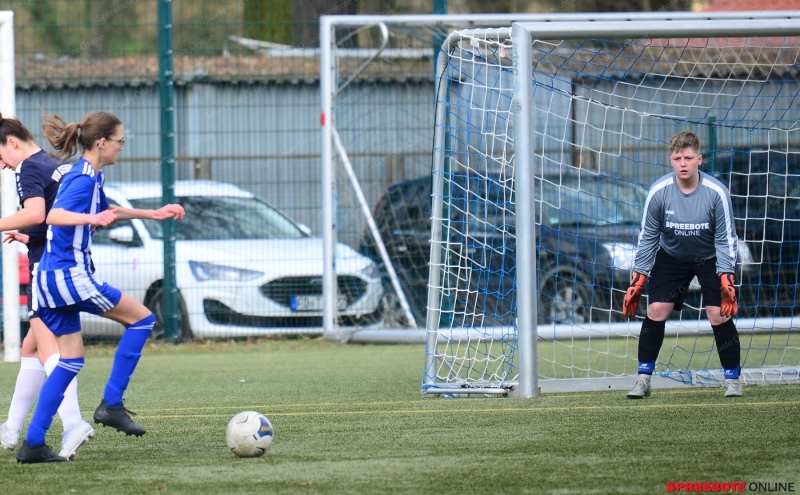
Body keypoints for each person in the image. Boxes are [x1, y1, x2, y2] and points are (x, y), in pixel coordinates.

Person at [15, 111, 185, 463]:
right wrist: (92, 219)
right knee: (141, 320)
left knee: (70, 361)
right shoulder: (84, 179)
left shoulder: (90, 175)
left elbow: (108, 209)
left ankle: (32, 443)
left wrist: (153, 214)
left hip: (48, 281)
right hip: (69, 278)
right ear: (103, 142)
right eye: (121, 141)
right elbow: (54, 215)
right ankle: (111, 403)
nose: (123, 147)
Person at [0, 114, 95, 460]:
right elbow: (56, 219)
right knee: (31, 348)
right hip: (64, 261)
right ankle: (11, 427)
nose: (1, 165)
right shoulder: (54, 162)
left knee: (52, 350)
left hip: (48, 269)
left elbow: (36, 212)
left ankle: (73, 422)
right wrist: (28, 236)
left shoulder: (28, 168)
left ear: (12, 143)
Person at [623, 131, 742, 399]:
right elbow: (648, 238)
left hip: (710, 257)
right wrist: (638, 280)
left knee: (718, 314)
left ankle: (733, 380)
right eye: (678, 158)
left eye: (688, 157)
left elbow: (726, 239)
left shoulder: (716, 193)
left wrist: (726, 279)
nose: (683, 163)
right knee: (655, 309)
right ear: (671, 160)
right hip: (672, 257)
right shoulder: (659, 193)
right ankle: (643, 379)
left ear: (699, 159)